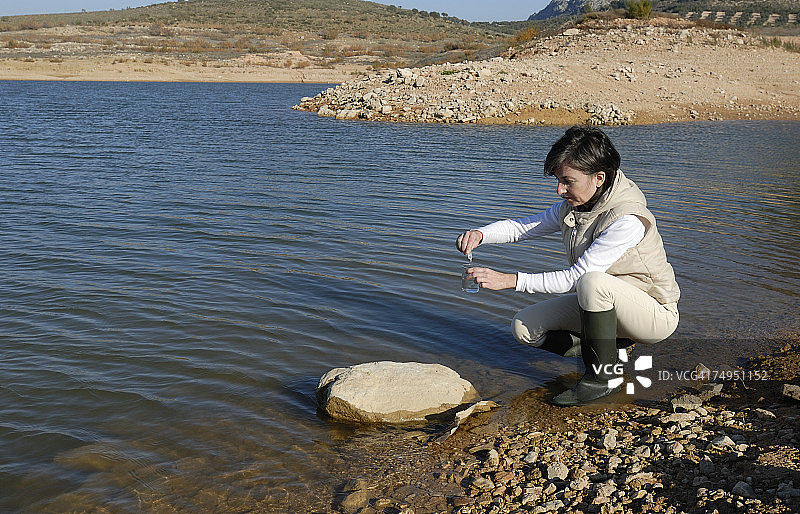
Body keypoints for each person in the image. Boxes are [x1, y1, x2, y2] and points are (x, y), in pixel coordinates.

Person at [455, 126, 679, 406]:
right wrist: (481, 234)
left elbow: (577, 278)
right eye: (559, 180)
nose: (559, 190)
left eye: (567, 181)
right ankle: (613, 349)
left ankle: (603, 379)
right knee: (525, 327)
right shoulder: (577, 206)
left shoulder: (626, 219)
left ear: (599, 178)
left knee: (591, 282)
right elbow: (523, 228)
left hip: (653, 314)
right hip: (605, 305)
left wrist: (509, 280)